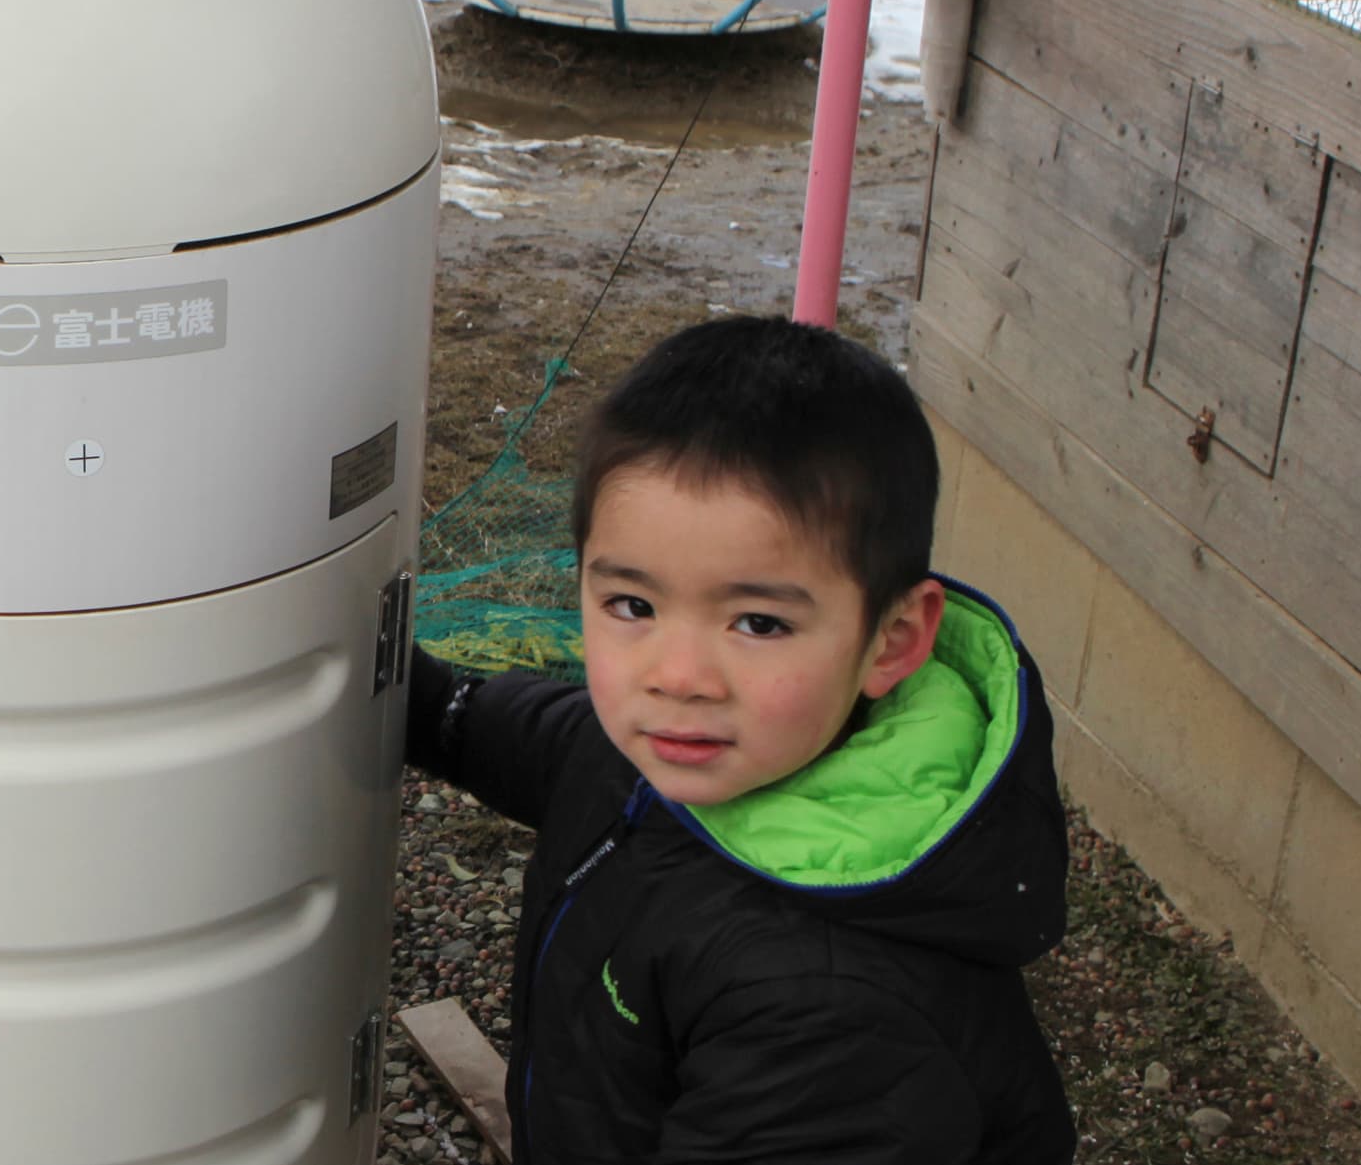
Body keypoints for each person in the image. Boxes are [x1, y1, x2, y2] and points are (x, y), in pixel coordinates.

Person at [405, 317, 1074, 1164]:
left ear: (895, 640)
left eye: (758, 621)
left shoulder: (823, 1010)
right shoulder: (679, 751)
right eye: (632, 606)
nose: (678, 673)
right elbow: (529, 740)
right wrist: (404, 692)